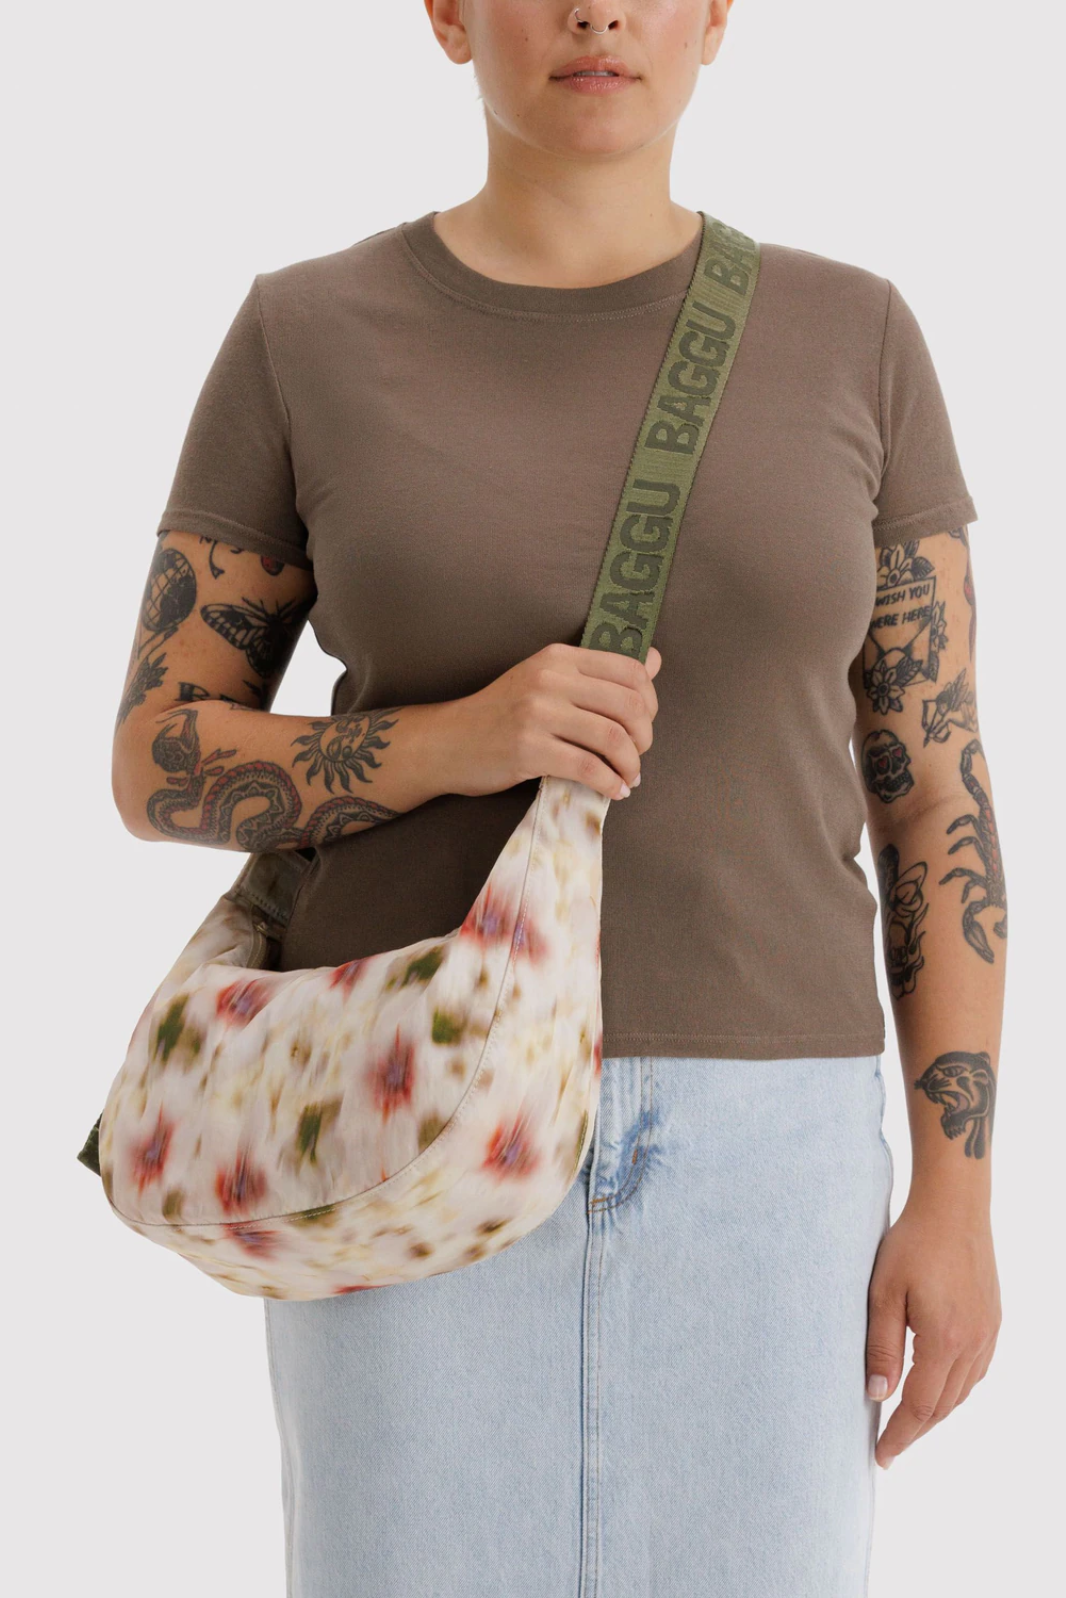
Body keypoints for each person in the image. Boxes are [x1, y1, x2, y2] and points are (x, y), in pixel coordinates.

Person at [109, 3, 1004, 1594]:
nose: (596, 11)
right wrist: (454, 739)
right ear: (448, 14)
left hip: (770, 1155)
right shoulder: (307, 334)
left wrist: (957, 1194)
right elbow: (159, 756)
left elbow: (932, 787)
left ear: (715, 15)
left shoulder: (853, 335)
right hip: (402, 1115)